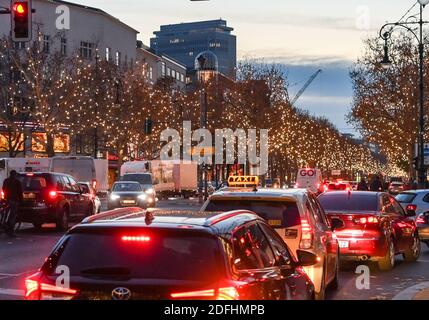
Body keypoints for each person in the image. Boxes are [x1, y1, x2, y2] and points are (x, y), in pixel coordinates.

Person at [2, 170, 23, 237]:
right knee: (12, 216)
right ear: (15, 175)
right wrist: (21, 201)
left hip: (7, 200)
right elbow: (20, 192)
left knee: (5, 214)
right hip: (14, 200)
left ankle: (4, 225)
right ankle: (11, 232)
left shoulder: (6, 180)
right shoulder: (17, 182)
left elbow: (3, 189)